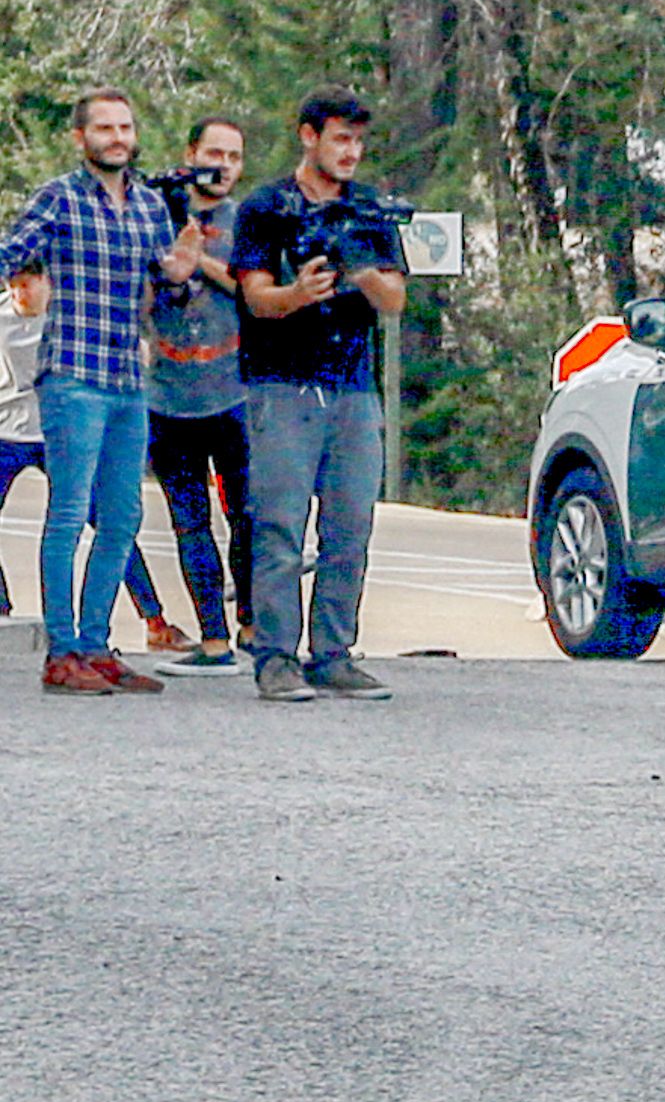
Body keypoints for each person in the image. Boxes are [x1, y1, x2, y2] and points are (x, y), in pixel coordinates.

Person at [4, 90, 199, 696]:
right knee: (67, 514)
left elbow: (165, 295)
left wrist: (179, 273)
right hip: (71, 376)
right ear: (81, 138)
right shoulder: (58, 198)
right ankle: (62, 651)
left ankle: (96, 643)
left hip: (127, 380)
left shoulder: (147, 207)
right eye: (104, 128)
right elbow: (12, 253)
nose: (117, 137)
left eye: (125, 127)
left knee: (121, 517)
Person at [232, 88, 408, 704]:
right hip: (281, 385)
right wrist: (300, 292)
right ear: (308, 136)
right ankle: (275, 655)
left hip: (354, 387)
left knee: (350, 526)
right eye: (340, 139)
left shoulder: (368, 211)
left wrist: (360, 267)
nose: (352, 152)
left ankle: (333, 651)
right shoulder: (265, 207)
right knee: (279, 526)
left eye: (359, 141)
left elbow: (394, 299)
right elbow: (254, 297)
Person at [143, 113, 253, 674]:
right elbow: (141, 300)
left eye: (234, 158)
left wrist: (198, 261)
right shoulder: (151, 215)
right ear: (191, 155)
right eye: (214, 155)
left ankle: (254, 624)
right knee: (190, 523)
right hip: (167, 398)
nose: (224, 168)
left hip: (235, 392)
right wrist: (167, 269)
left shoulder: (248, 220)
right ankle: (214, 640)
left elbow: (253, 290)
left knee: (248, 517)